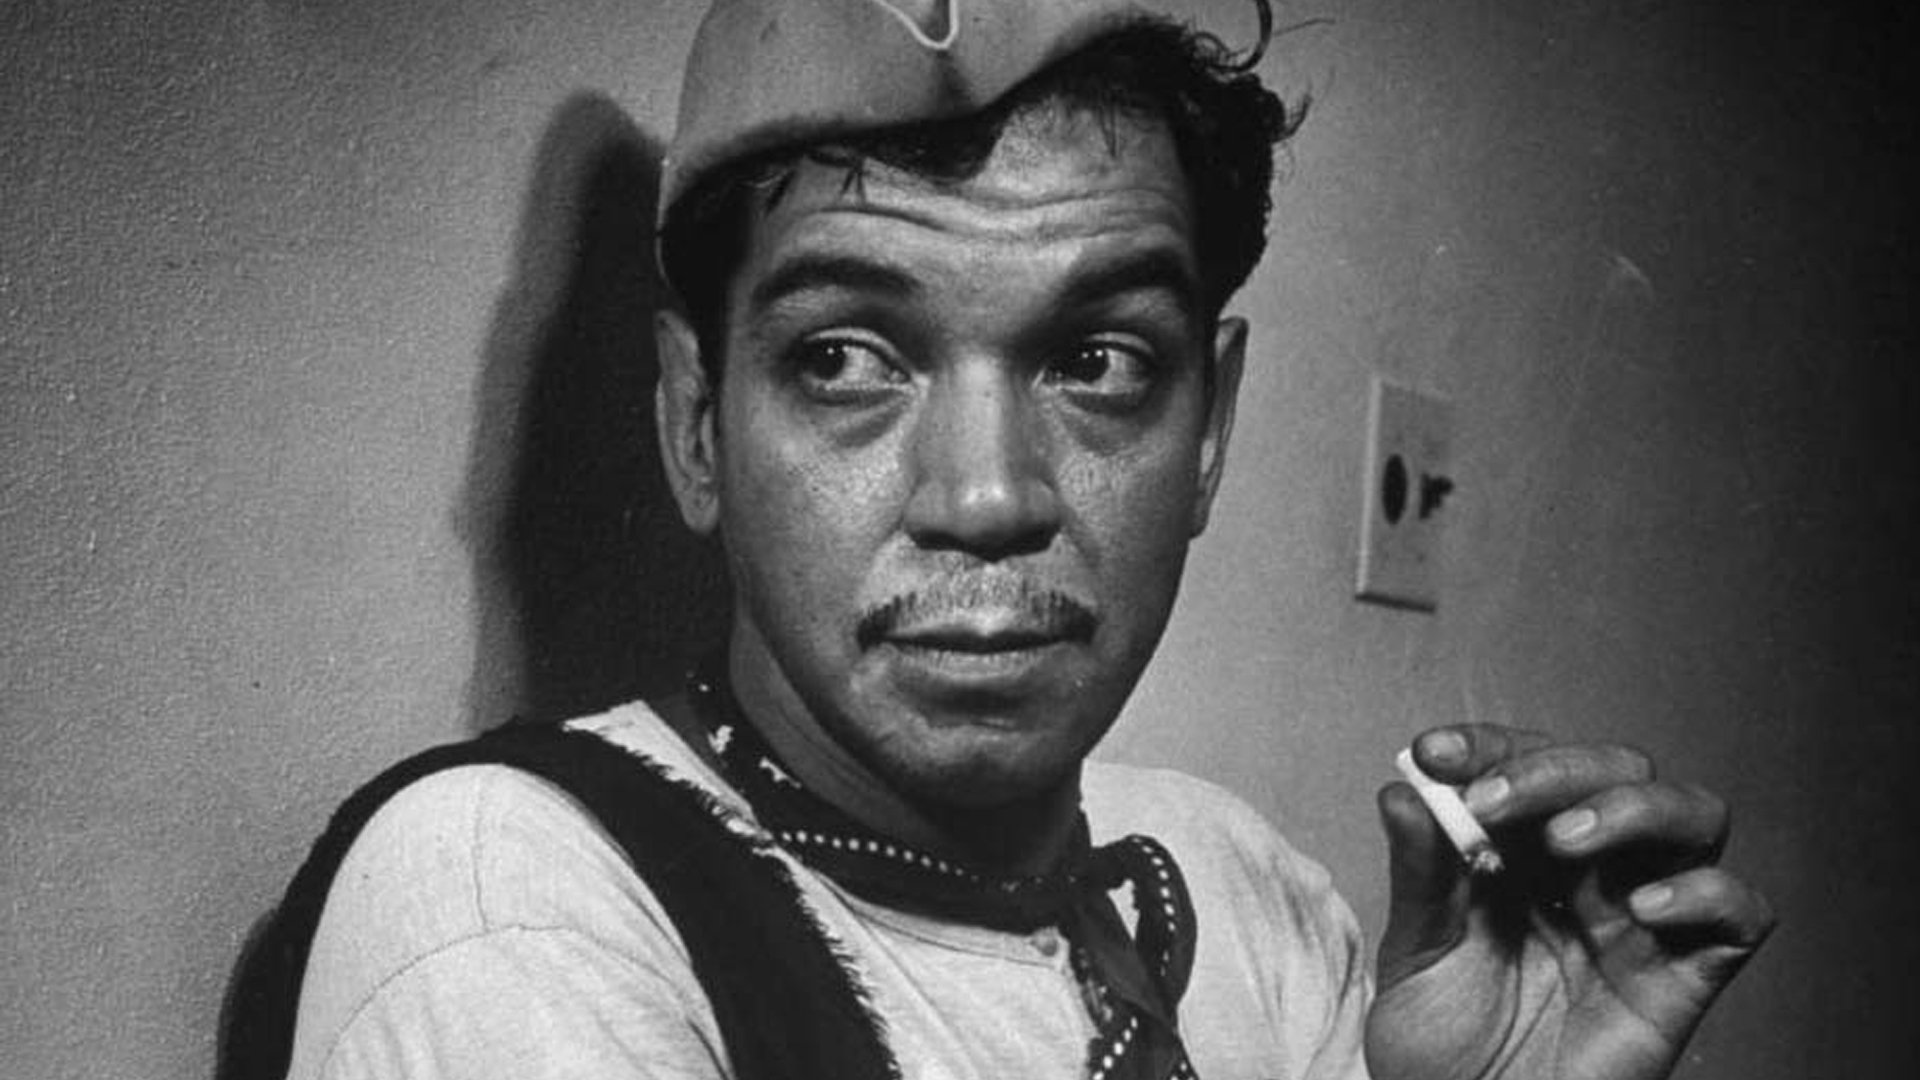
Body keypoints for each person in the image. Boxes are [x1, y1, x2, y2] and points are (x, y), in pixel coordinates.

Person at [276, 2, 1775, 1078]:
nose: (990, 499)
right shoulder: (514, 904)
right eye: (845, 358)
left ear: (1209, 429)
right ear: (694, 425)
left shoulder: (1242, 888)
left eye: (1096, 360)